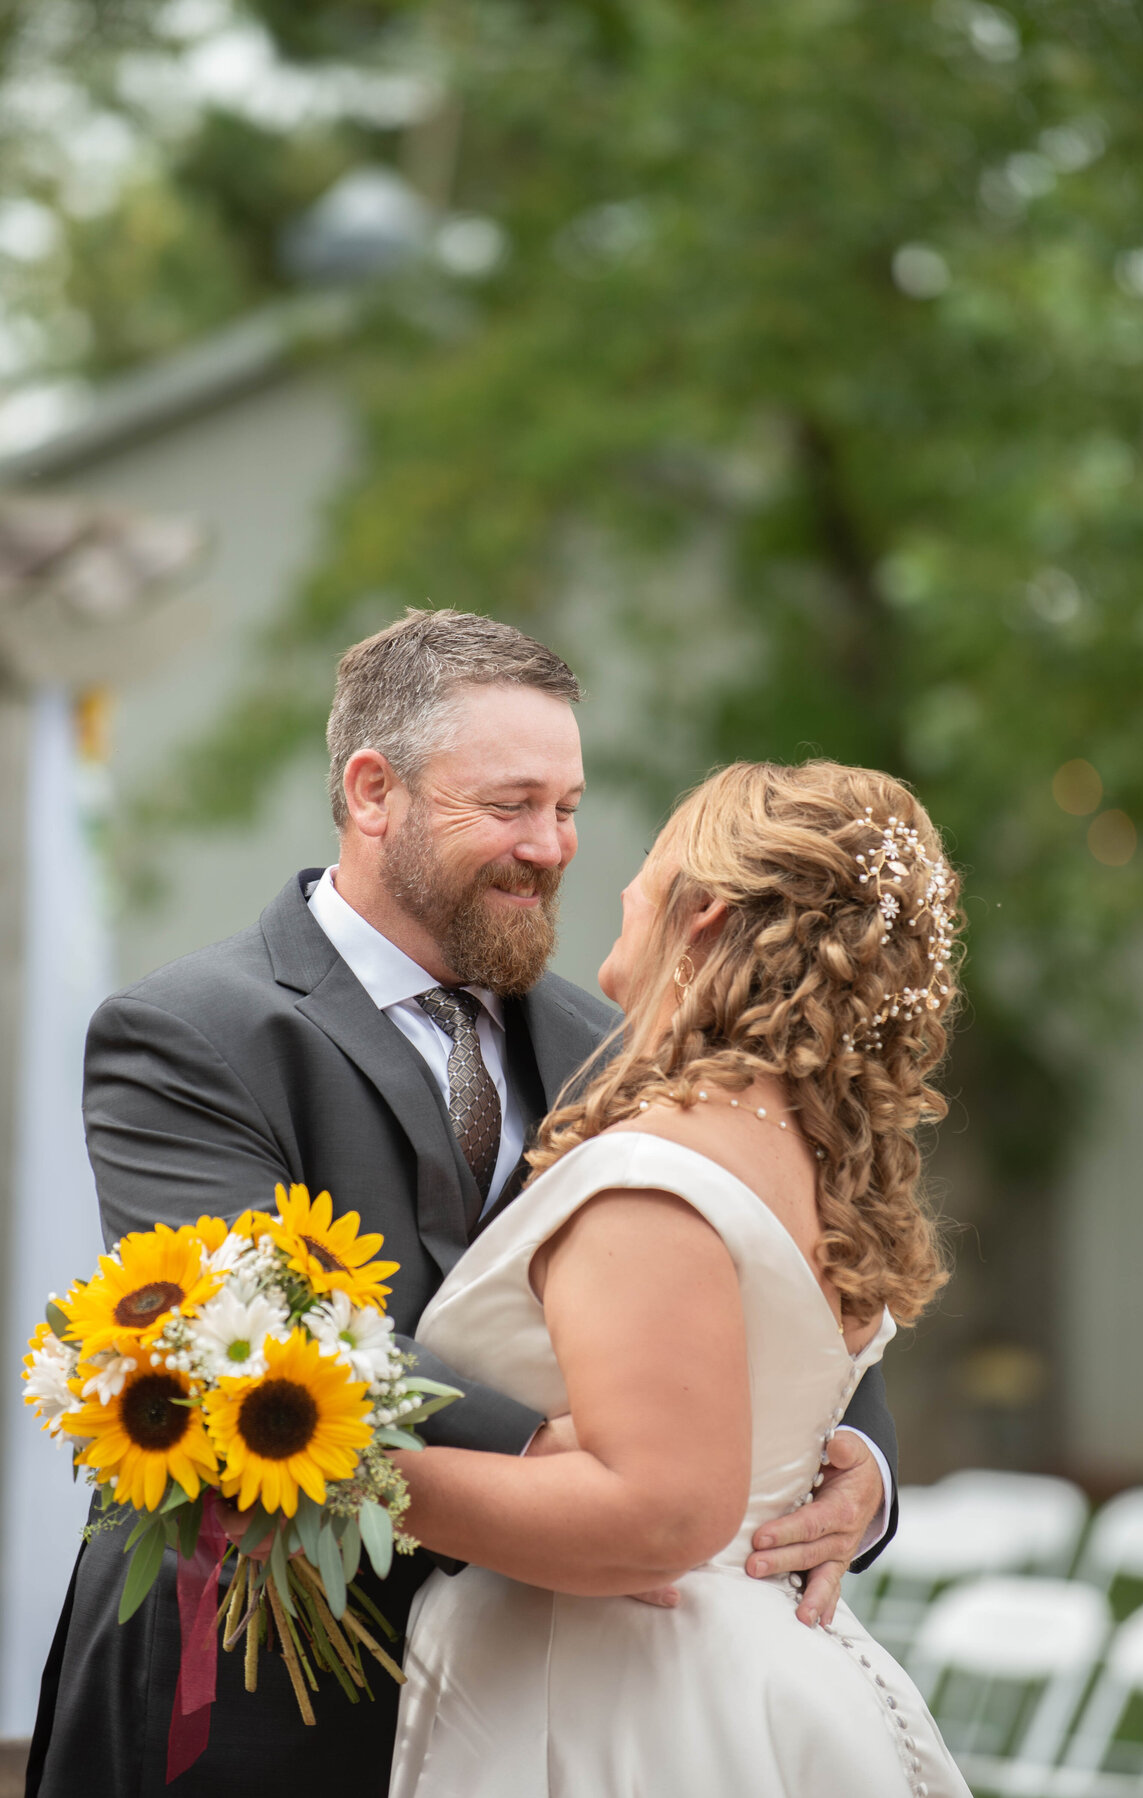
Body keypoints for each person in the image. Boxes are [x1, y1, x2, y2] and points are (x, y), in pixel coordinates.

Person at [26, 613, 897, 1798]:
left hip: (555, 1696)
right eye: (512, 804)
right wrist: (559, 1462)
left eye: (570, 807)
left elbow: (776, 1260)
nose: (553, 846)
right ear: (374, 793)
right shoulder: (188, 1032)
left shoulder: (617, 1048)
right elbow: (247, 1334)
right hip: (260, 1678)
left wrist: (859, 1465)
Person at [386, 757, 970, 1797]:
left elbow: (655, 1515)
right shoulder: (823, 1155)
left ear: (702, 917)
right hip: (747, 1665)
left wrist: (343, 1477)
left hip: (616, 1704)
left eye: (650, 863)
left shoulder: (657, 1174)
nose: (618, 886)